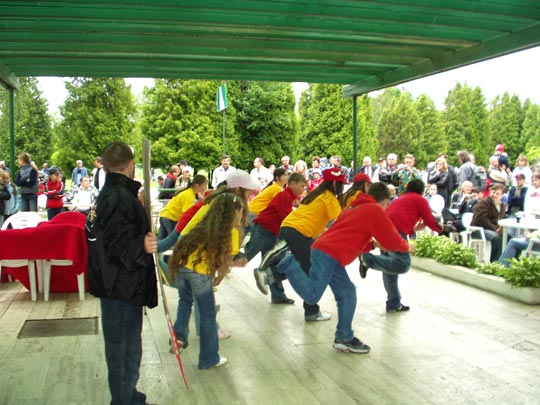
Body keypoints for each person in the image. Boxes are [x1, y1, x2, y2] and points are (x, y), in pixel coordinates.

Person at [255, 182, 410, 353]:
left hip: (328, 252)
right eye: (387, 203)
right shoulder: (373, 210)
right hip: (329, 254)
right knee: (312, 296)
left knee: (348, 293)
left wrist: (372, 245)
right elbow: (392, 239)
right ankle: (286, 261)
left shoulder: (353, 207)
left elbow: (351, 236)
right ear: (384, 200)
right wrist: (406, 247)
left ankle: (344, 337)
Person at [87, 141, 157, 405]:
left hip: (118, 284)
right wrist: (140, 244)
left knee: (124, 347)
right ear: (130, 165)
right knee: (124, 350)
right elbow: (114, 243)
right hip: (122, 287)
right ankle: (123, 400)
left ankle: (128, 394)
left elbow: (106, 232)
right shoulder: (117, 197)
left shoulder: (113, 194)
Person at [169, 193, 247, 369]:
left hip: (182, 267)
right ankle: (209, 358)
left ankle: (179, 335)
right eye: (241, 212)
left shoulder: (204, 224)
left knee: (185, 301)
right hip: (200, 273)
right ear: (234, 212)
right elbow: (225, 261)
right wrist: (218, 279)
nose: (242, 216)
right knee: (208, 315)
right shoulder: (232, 232)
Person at [270, 168, 346, 322]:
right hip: (299, 233)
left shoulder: (316, 194)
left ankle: (271, 274)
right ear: (337, 185)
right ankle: (311, 311)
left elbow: (316, 221)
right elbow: (341, 222)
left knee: (302, 265)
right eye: (342, 184)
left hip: (288, 227)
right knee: (311, 270)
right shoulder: (330, 198)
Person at [369, 179, 442, 312]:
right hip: (394, 232)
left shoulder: (400, 199)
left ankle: (393, 303)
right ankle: (368, 260)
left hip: (384, 229)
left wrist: (413, 230)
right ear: (421, 191)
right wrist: (442, 229)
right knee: (403, 263)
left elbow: (400, 218)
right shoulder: (420, 200)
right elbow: (430, 219)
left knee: (390, 269)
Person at [245, 173, 306, 304]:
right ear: (293, 184)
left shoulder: (288, 196)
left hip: (270, 231)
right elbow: (285, 215)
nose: (303, 189)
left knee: (272, 263)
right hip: (263, 229)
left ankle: (278, 295)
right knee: (246, 256)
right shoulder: (284, 195)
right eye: (301, 186)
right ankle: (213, 271)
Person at [158, 174, 208, 239]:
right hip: (171, 218)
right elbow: (186, 214)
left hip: (164, 215)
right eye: (204, 186)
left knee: (162, 241)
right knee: (173, 241)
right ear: (197, 185)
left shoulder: (188, 192)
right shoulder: (189, 195)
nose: (205, 188)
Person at [471, 183, 507, 262]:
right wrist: (495, 229)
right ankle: (494, 262)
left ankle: (504, 261)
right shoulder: (483, 203)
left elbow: (502, 219)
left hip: (493, 229)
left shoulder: (502, 206)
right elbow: (482, 220)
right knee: (497, 237)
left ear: (502, 195)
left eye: (497, 193)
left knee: (508, 236)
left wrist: (501, 228)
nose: (494, 195)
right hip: (479, 229)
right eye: (493, 192)